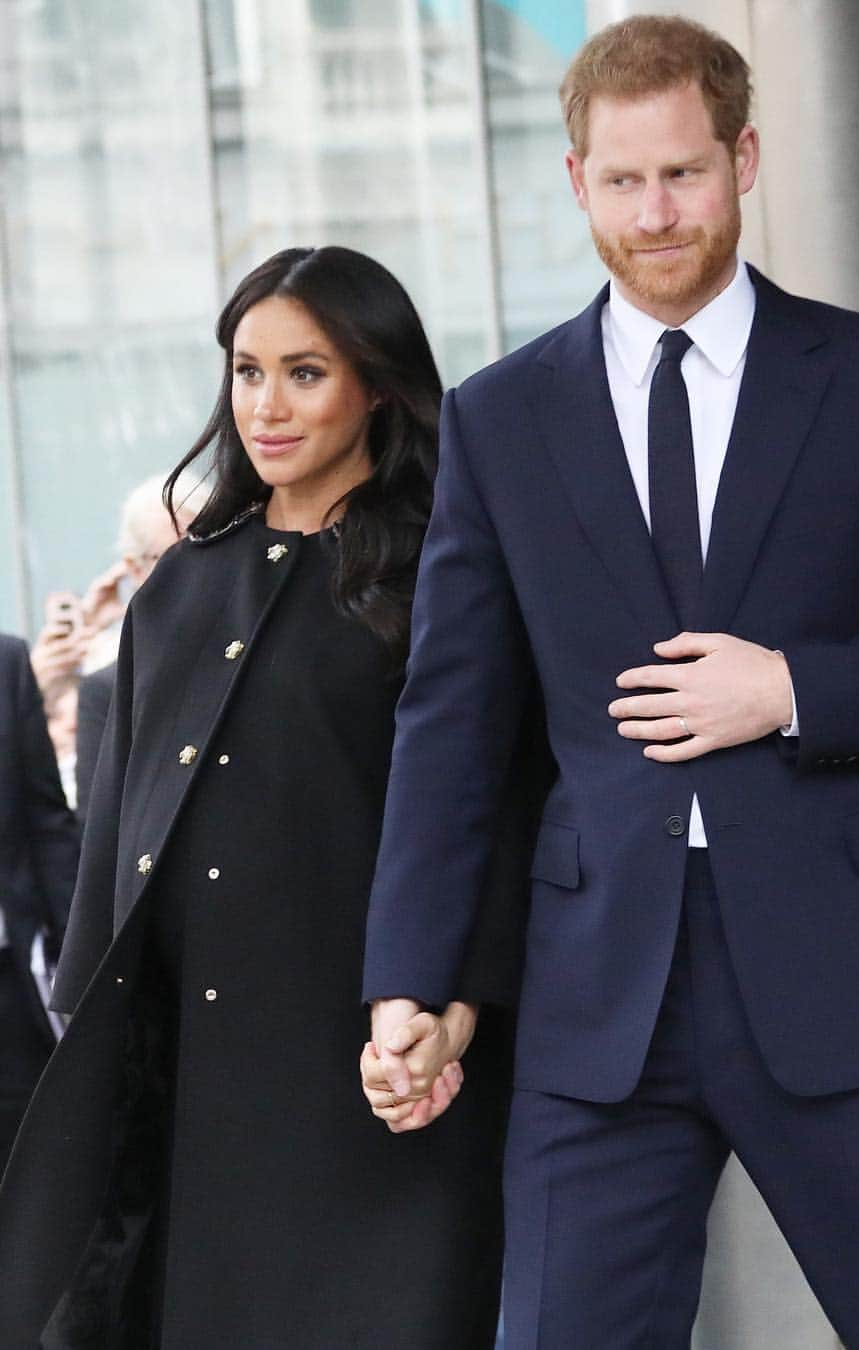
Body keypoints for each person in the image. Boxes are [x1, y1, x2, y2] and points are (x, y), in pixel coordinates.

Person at [361, 16, 859, 1348]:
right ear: (576, 182)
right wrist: (411, 974)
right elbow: (451, 723)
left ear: (744, 157)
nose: (655, 210)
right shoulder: (504, 419)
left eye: (683, 172)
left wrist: (793, 686)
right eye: (622, 181)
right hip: (599, 984)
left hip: (838, 964)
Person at [0, 246, 532, 1349]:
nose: (266, 406)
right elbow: (114, 854)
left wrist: (452, 1005)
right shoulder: (184, 586)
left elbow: (500, 808)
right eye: (247, 371)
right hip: (201, 1099)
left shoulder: (445, 573)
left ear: (376, 385)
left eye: (305, 372)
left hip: (385, 1073)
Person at [75, 471, 209, 827]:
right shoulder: (108, 688)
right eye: (173, 557)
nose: (199, 571)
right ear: (135, 569)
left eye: (207, 546)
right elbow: (101, 826)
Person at [0, 634, 79, 1174]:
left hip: (12, 976)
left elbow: (47, 820)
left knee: (29, 1156)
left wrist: (83, 955)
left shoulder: (6, 662)